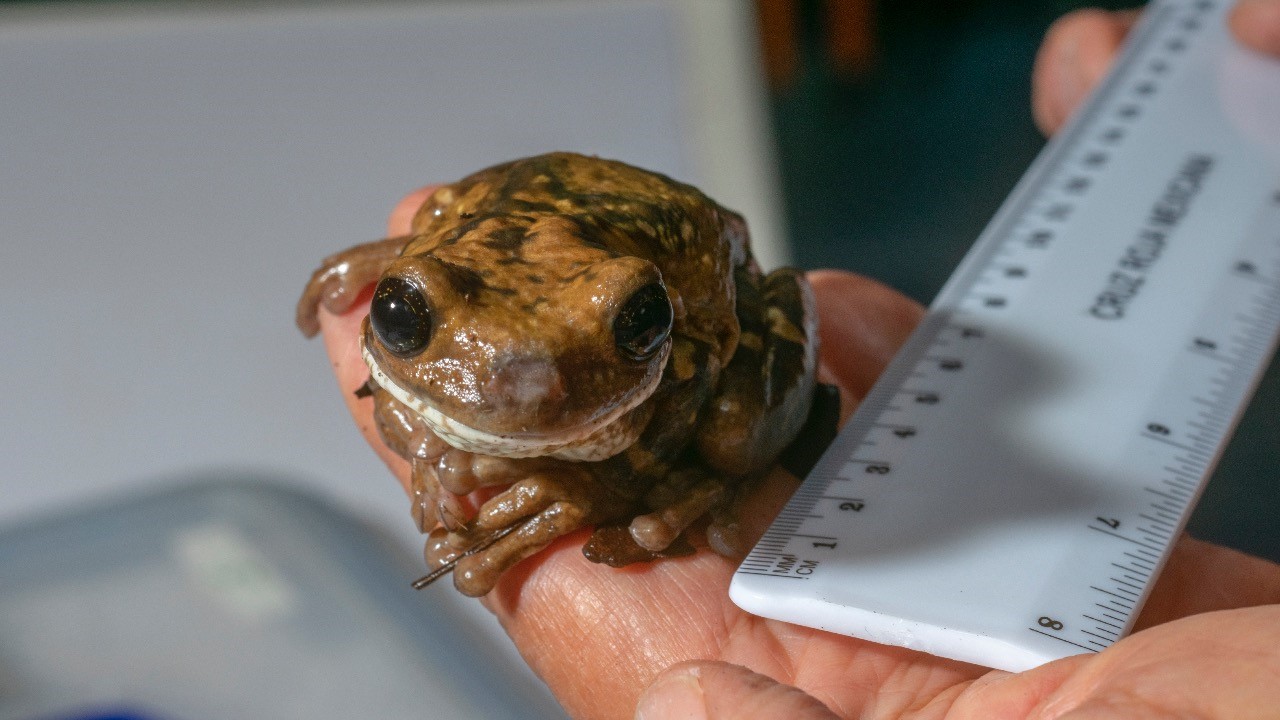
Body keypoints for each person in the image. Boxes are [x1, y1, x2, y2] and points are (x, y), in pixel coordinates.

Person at [314, 4, 1280, 717]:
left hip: (703, 287)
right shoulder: (452, 256)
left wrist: (617, 480)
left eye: (631, 321)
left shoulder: (655, 337)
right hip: (510, 216)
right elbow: (453, 241)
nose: (520, 385)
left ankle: (620, 363)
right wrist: (407, 297)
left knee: (734, 435)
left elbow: (685, 372)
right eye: (405, 311)